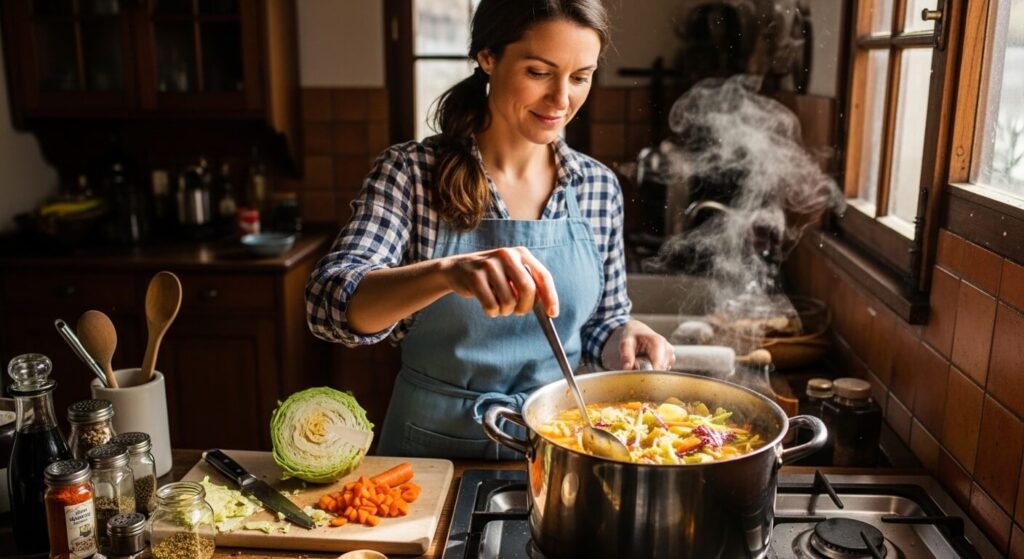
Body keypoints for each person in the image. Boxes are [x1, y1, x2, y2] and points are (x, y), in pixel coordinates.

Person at [306, 0, 675, 460]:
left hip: (558, 447)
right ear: (488, 57)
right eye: (539, 72)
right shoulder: (411, 172)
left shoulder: (597, 186)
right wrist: (446, 274)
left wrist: (626, 336)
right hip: (430, 454)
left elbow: (601, 323)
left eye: (580, 77)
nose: (562, 99)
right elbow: (328, 307)